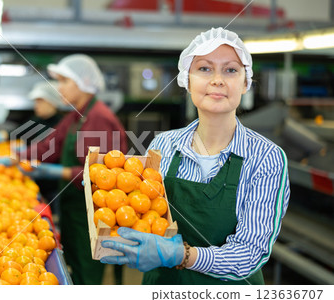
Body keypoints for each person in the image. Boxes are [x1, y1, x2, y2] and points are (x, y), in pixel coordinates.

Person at [100, 27, 290, 285]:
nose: (218, 80)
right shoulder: (163, 145)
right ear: (186, 81)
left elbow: (249, 255)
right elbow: (141, 214)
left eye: (231, 70)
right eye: (204, 68)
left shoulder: (267, 158)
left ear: (246, 83)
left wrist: (181, 255)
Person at [21, 54, 128, 285]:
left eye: (64, 81)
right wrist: (11, 157)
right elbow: (48, 146)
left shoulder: (98, 119)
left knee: (86, 273)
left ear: (83, 82)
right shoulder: (75, 116)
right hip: (73, 209)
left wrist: (55, 172)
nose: (58, 88)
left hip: (91, 214)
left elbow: (100, 175)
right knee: (74, 271)